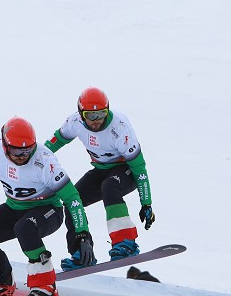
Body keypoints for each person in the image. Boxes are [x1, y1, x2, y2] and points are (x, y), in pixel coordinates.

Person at [0, 116, 94, 296]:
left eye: (27, 150)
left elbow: (72, 198)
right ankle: (0, 283)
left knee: (25, 228)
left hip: (48, 210)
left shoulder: (46, 162)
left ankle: (46, 287)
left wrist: (82, 234)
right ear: (5, 146)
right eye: (16, 151)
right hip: (15, 207)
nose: (22, 156)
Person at [45, 87, 155, 270]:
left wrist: (147, 203)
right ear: (81, 114)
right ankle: (81, 251)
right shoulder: (74, 122)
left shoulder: (120, 128)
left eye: (101, 114)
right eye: (91, 115)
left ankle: (125, 242)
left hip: (126, 170)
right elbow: (54, 143)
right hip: (101, 169)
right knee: (73, 200)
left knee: (110, 186)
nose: (96, 121)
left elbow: (140, 169)